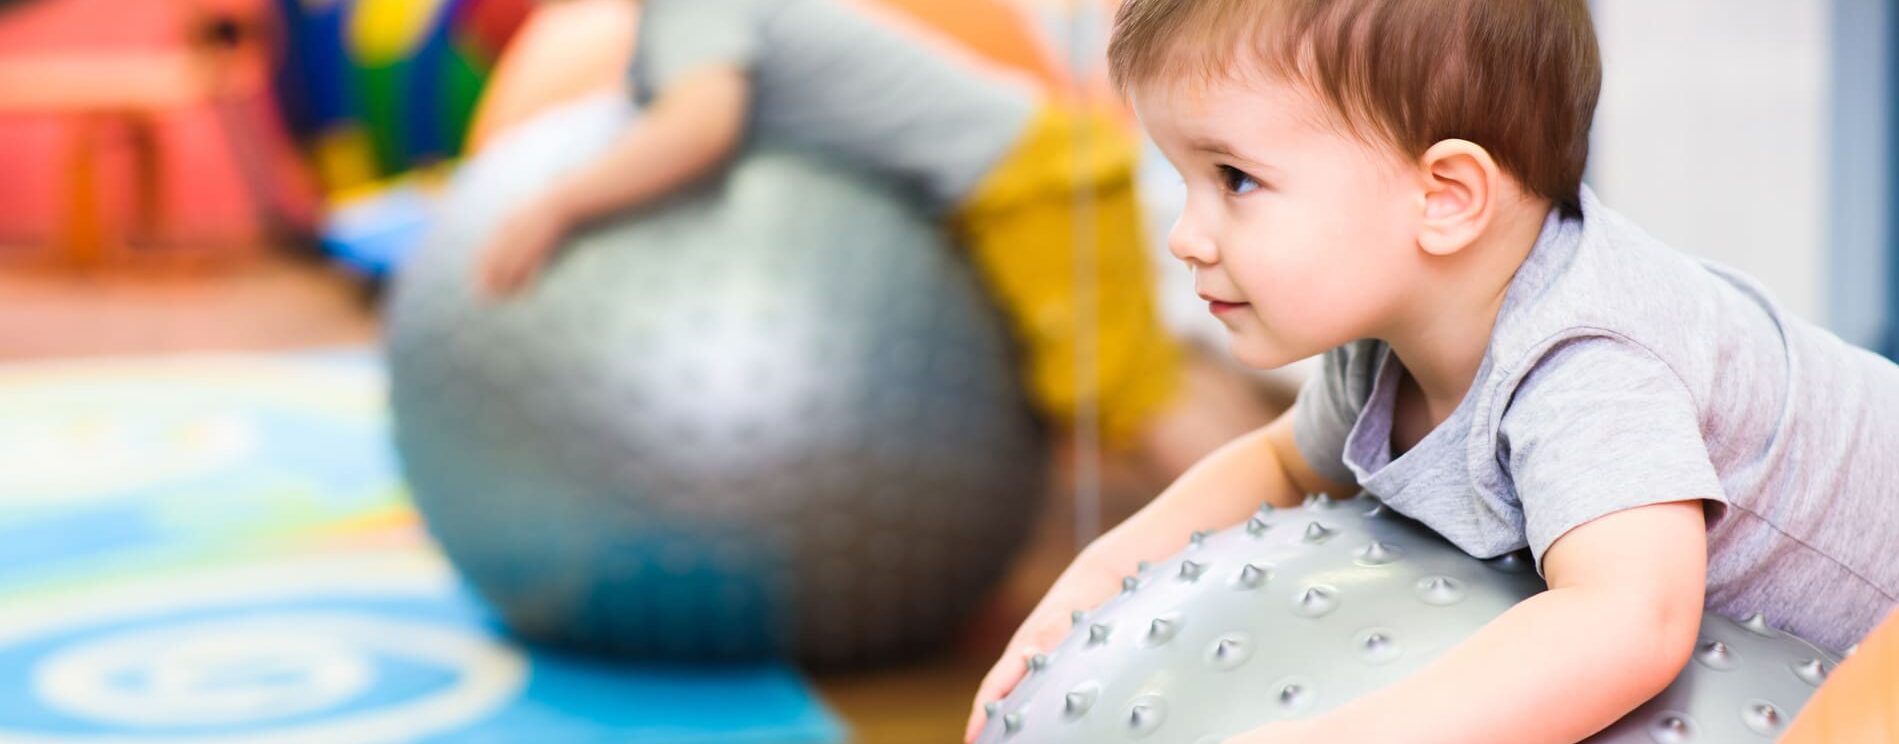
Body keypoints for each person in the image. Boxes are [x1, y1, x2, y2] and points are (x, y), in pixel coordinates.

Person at [966, 1, 1899, 741]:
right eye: (1183, 179)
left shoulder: (1585, 363)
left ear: (1445, 197)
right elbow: (1283, 465)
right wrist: (1084, 599)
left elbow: (1627, 623)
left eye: (1234, 180)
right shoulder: (1389, 345)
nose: (1185, 237)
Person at [471, 0, 1278, 479]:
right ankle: (1282, 499)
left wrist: (557, 207)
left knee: (1123, 393)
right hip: (1039, 159)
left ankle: (1271, 535)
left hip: (1029, 179)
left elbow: (699, 125)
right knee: (1142, 374)